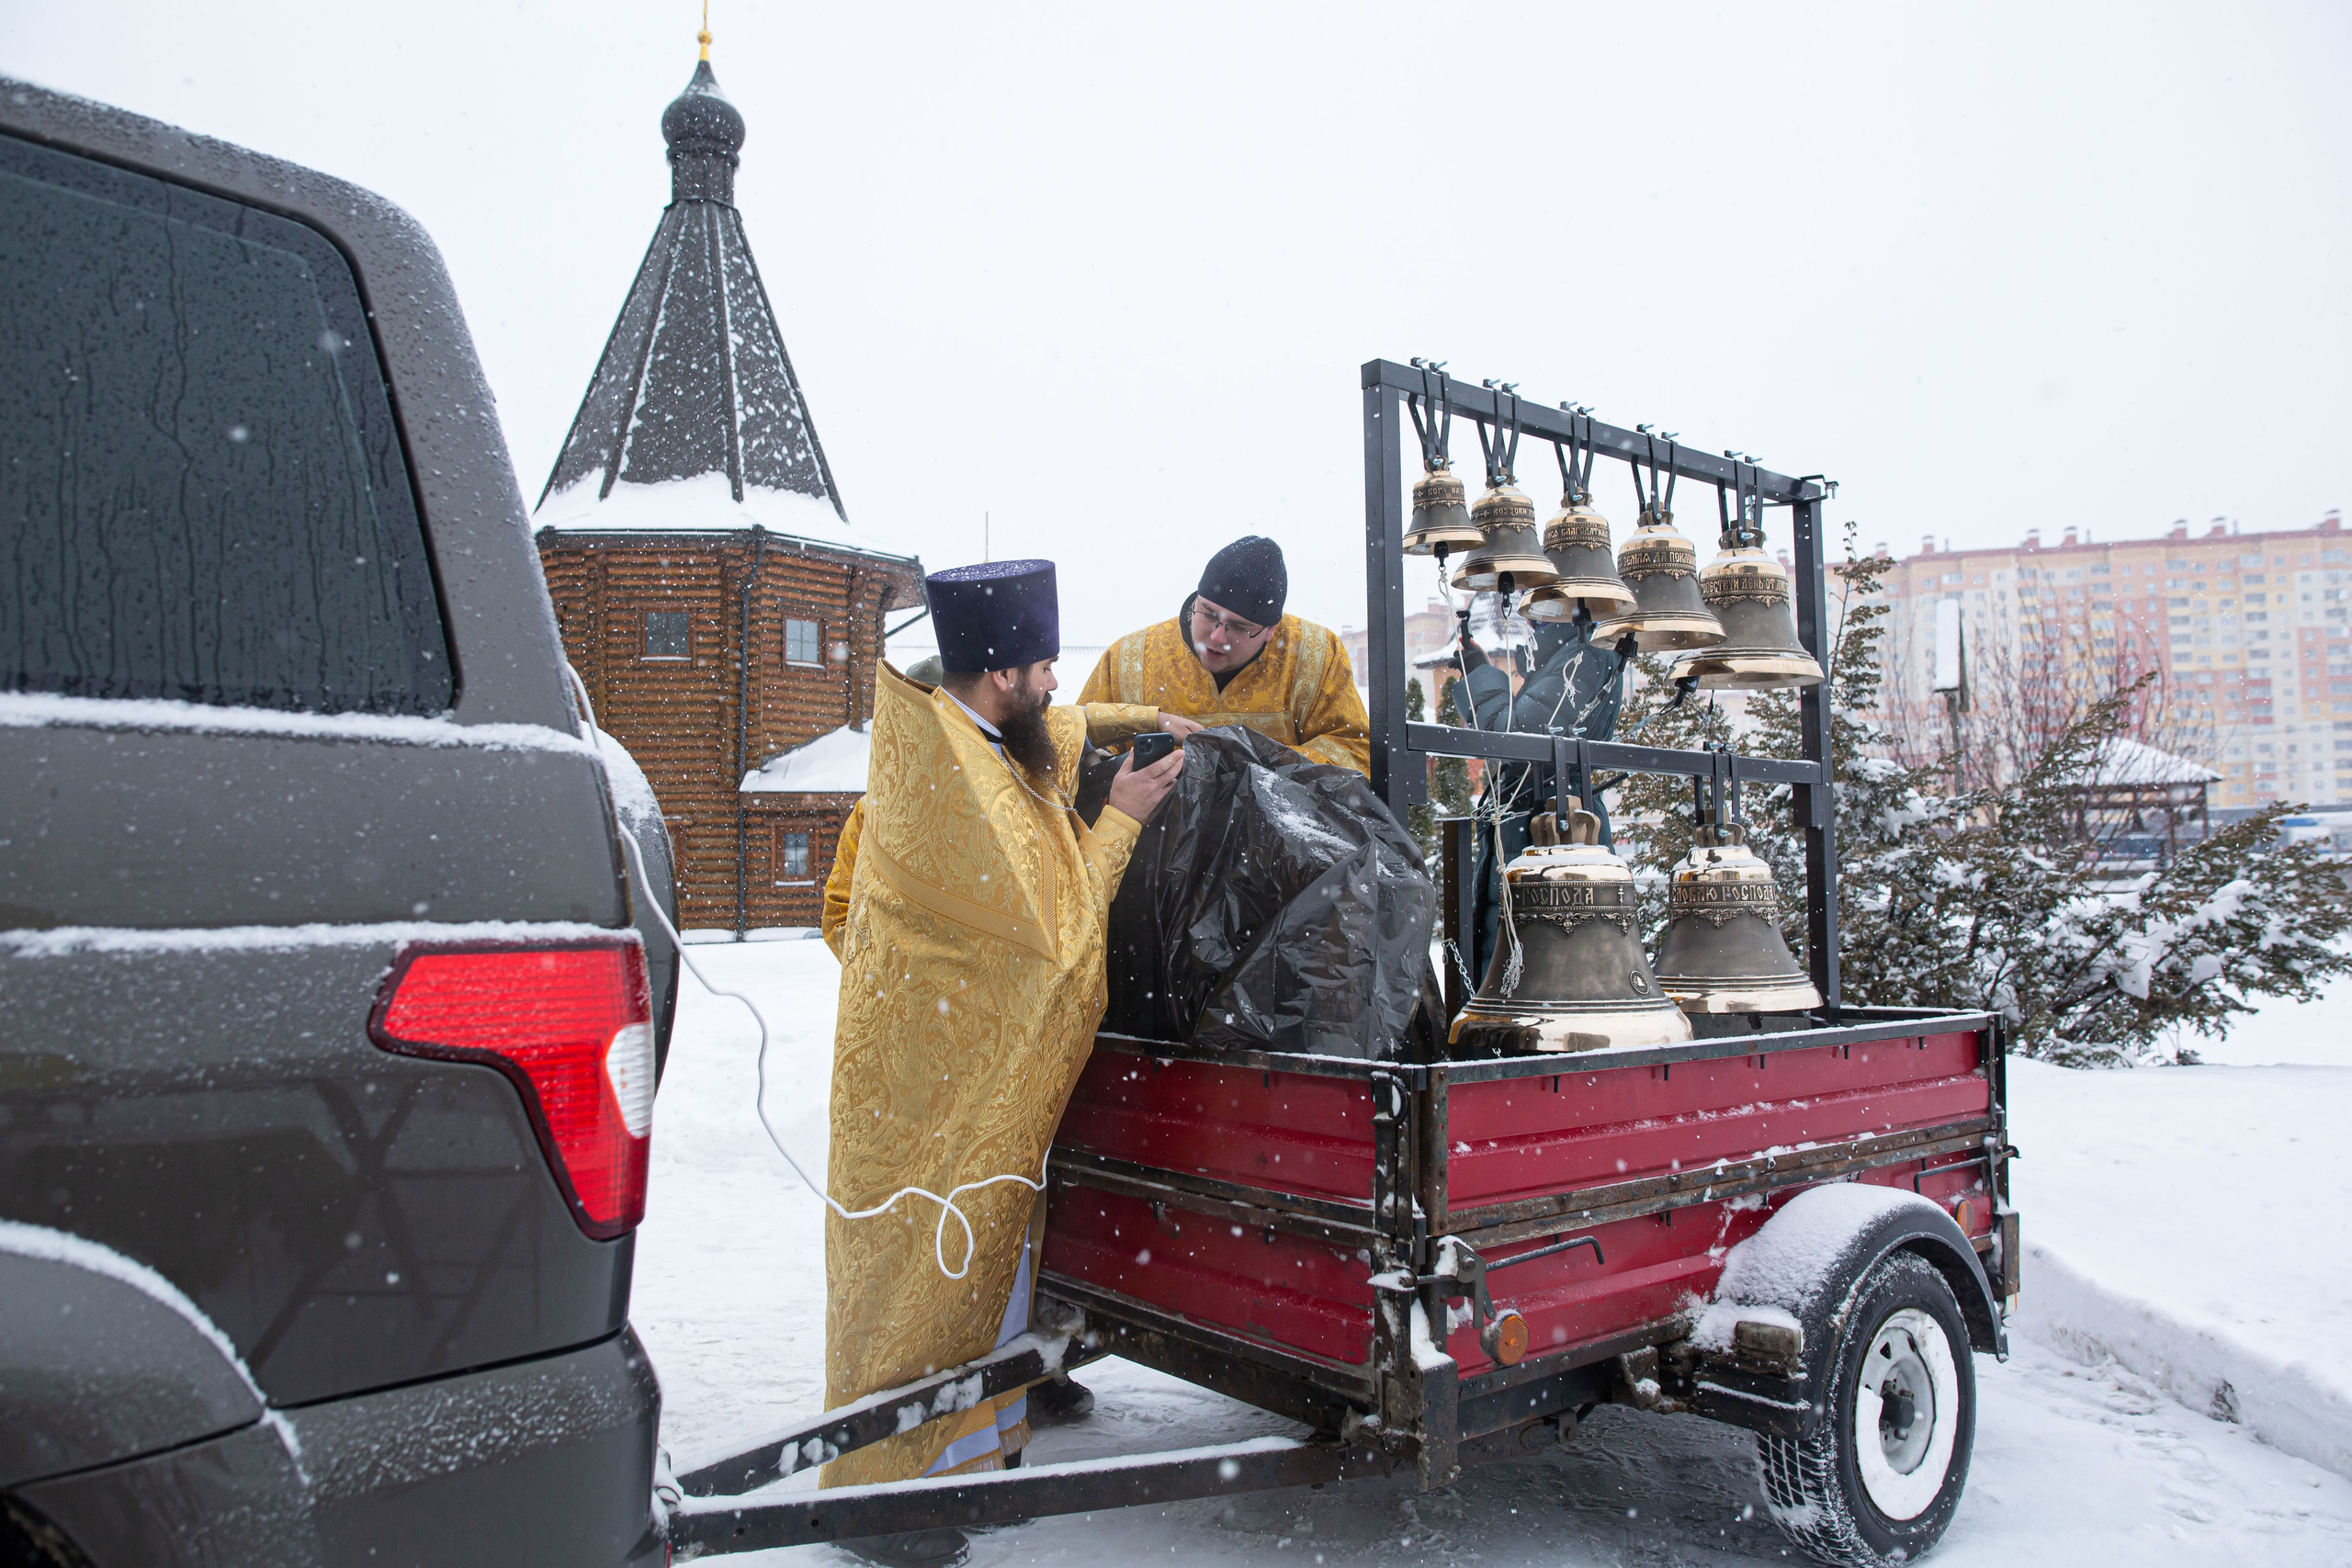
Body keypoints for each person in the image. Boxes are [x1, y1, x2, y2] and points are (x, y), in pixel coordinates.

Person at [820, 560, 1184, 1568]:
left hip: (956, 1075)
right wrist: (1126, 817)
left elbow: (1058, 735)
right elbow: (1058, 938)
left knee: (975, 1279)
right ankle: (894, 1503)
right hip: (930, 1087)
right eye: (1042, 670)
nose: (1056, 688)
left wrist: (1148, 714)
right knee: (920, 1291)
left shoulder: (973, 736)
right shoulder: (961, 783)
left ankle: (964, 1465)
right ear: (997, 675)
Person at [1077, 535, 1371, 774]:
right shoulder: (1129, 657)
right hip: (1155, 839)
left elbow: (1355, 751)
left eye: (1239, 627)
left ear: (1271, 630)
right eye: (1208, 613)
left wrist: (1259, 764)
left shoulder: (1316, 654)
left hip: (1275, 841)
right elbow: (1078, 745)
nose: (1218, 636)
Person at [1450, 610, 1632, 986]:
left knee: (1539, 979)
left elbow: (1514, 735)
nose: (1526, 612)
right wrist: (1480, 671)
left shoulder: (1586, 655)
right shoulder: (1567, 657)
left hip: (1551, 823)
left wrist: (1480, 678)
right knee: (1516, 963)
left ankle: (1516, 1039)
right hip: (1539, 816)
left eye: (1538, 600)